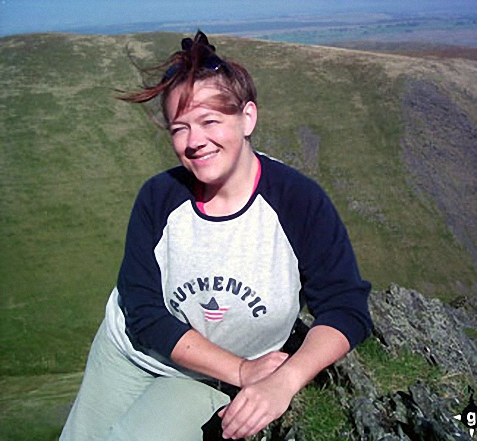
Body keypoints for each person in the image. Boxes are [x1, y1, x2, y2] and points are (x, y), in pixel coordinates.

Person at [60, 30, 372, 441]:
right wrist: (243, 371)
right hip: (128, 352)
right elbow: (142, 308)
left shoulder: (298, 202)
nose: (194, 142)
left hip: (207, 379)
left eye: (210, 121)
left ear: (247, 118)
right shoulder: (158, 198)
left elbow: (345, 307)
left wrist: (284, 380)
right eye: (179, 128)